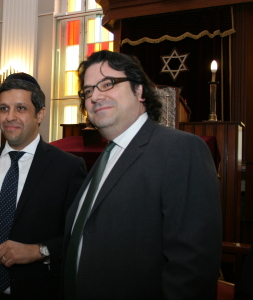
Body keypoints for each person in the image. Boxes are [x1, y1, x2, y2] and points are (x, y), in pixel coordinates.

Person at [62, 50, 222, 299]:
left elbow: (192, 267)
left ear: (139, 91)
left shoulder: (181, 150)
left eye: (108, 83)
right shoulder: (105, 157)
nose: (95, 96)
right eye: (88, 91)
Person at [0, 73, 87, 299]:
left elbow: (78, 235)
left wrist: (39, 251)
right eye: (4, 109)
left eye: (21, 109)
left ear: (40, 114)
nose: (10, 117)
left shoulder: (68, 168)